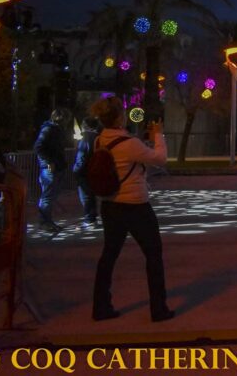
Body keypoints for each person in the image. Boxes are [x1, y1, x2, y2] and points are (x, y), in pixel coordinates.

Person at [89, 96, 173, 322]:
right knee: (153, 254)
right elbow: (161, 158)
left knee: (109, 255)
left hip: (110, 206)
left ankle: (101, 306)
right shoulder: (129, 144)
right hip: (135, 206)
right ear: (118, 117)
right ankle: (158, 308)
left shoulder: (100, 141)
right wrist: (158, 135)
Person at [33, 108, 69, 233]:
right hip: (51, 166)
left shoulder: (54, 130)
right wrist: (49, 162)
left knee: (50, 195)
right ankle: (44, 221)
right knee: (48, 195)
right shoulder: (49, 130)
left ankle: (47, 221)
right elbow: (39, 147)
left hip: (55, 165)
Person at [72, 117, 102, 228]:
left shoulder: (86, 138)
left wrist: (76, 170)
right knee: (91, 195)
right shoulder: (99, 137)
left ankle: (89, 219)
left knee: (86, 196)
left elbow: (82, 157)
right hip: (95, 170)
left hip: (85, 171)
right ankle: (92, 218)